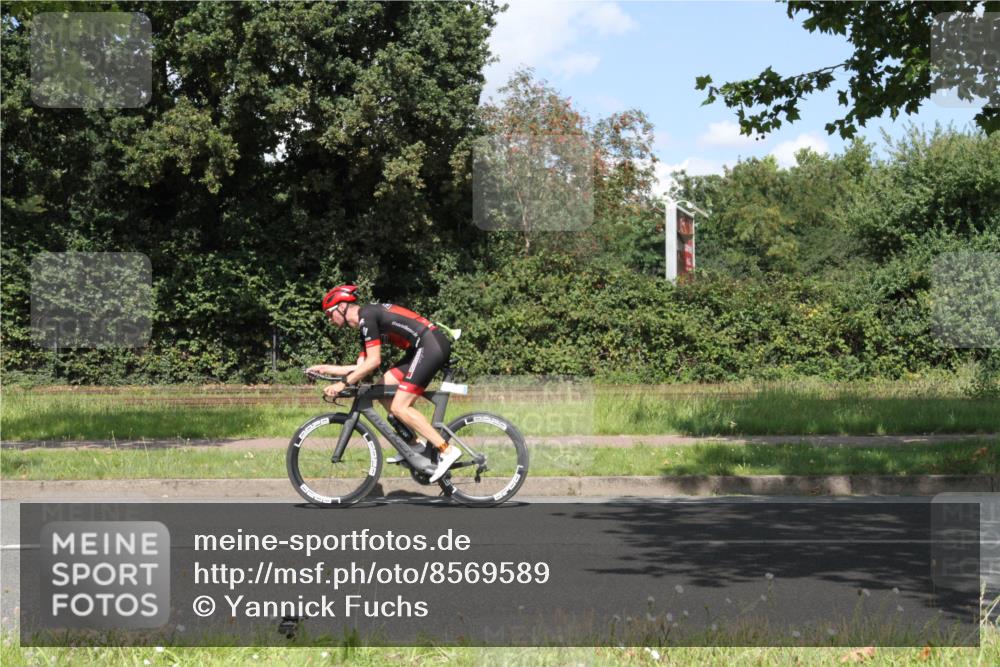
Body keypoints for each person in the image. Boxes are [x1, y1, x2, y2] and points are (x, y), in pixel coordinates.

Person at [306, 284, 461, 483]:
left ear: (342, 306)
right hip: (420, 349)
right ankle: (415, 448)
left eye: (329, 314)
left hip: (429, 344)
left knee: (399, 406)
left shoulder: (367, 316)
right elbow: (361, 366)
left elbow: (373, 362)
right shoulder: (365, 324)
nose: (329, 320)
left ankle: (446, 450)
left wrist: (342, 384)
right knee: (381, 392)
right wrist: (326, 368)